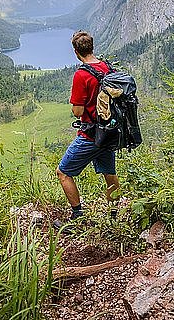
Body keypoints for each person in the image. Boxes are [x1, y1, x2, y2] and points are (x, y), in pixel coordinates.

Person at [56, 31, 120, 223]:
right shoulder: (108, 68)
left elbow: (77, 111)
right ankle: (114, 216)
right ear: (92, 47)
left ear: (76, 52)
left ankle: (77, 217)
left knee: (63, 172)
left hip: (91, 135)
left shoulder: (81, 75)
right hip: (109, 131)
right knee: (109, 174)